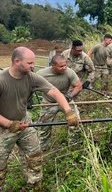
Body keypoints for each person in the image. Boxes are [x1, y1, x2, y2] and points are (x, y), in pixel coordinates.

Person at [0, 47, 79, 191]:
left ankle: (35, 186)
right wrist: (8, 123)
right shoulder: (2, 80)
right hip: (3, 128)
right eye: (30, 63)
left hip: (24, 123)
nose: (33, 66)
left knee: (34, 157)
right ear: (17, 61)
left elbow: (55, 92)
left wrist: (68, 111)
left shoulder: (31, 77)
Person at [37, 55, 82, 151]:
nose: (64, 68)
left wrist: (70, 96)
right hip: (48, 102)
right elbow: (30, 86)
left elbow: (78, 86)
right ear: (53, 65)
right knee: (44, 128)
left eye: (65, 65)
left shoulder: (69, 72)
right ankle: (43, 150)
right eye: (61, 66)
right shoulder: (41, 74)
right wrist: (28, 100)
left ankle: (73, 147)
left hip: (66, 101)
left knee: (75, 122)